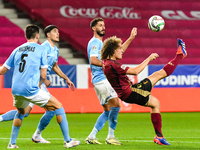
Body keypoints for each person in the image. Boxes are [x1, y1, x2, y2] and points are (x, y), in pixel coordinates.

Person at [0, 24, 80, 148]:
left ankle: (12, 142)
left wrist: (66, 78)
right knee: (57, 106)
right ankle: (68, 141)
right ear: (40, 35)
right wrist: (44, 79)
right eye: (55, 31)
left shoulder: (18, 49)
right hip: (34, 86)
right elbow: (41, 71)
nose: (58, 33)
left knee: (23, 113)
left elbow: (3, 70)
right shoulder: (42, 48)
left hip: (16, 89)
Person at [101, 35, 187, 146]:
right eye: (119, 49)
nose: (122, 50)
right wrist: (149, 58)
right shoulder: (114, 65)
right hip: (130, 92)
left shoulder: (106, 62)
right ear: (113, 51)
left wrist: (131, 37)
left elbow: (118, 50)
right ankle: (180, 55)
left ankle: (159, 136)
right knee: (159, 75)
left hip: (127, 92)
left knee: (155, 103)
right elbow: (136, 71)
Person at [85, 17, 137, 145]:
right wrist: (106, 65)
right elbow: (93, 60)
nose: (103, 27)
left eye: (103, 25)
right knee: (116, 105)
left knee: (108, 110)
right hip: (101, 80)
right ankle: (111, 136)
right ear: (93, 28)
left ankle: (91, 136)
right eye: (100, 25)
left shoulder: (101, 44)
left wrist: (130, 38)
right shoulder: (95, 43)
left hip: (101, 80)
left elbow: (119, 51)